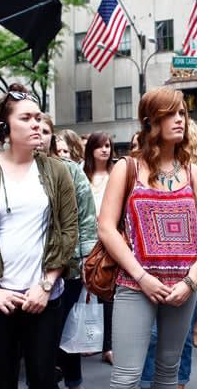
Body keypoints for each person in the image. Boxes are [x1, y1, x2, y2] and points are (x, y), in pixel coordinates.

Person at [0, 84, 79, 388]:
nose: (35, 124)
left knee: (43, 377)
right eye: (26, 118)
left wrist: (46, 285)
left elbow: (68, 229)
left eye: (38, 117)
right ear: (4, 127)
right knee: (3, 378)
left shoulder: (56, 171)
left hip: (43, 297)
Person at [99, 86, 197, 389]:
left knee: (168, 373)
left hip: (183, 288)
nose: (179, 120)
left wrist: (193, 279)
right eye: (170, 114)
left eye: (182, 114)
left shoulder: (193, 173)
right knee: (126, 378)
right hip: (135, 284)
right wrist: (141, 276)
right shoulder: (127, 168)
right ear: (150, 121)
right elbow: (106, 228)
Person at [139, 119, 197, 389]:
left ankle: (179, 381)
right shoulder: (138, 170)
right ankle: (147, 380)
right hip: (149, 270)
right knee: (150, 335)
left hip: (190, 269)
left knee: (180, 336)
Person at [40, 117, 97, 389]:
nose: (38, 135)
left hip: (69, 265)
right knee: (40, 336)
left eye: (45, 132)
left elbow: (87, 219)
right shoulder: (12, 171)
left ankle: (73, 381)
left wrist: (86, 260)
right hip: (28, 269)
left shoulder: (71, 171)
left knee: (66, 328)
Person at [83, 131, 117, 365]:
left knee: (107, 292)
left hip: (109, 241)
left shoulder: (117, 174)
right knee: (84, 293)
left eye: (108, 146)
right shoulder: (81, 174)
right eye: (99, 146)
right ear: (91, 150)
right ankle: (86, 340)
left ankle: (108, 346)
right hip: (85, 239)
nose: (104, 150)